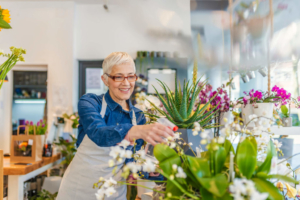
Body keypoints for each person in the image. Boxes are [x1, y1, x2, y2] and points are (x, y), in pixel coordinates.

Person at [57, 52, 174, 200]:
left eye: (131, 76)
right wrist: (133, 130)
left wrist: (148, 170)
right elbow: (99, 133)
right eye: (118, 77)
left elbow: (131, 161)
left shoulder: (138, 116)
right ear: (105, 80)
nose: (126, 83)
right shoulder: (90, 102)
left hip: (114, 193)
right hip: (79, 190)